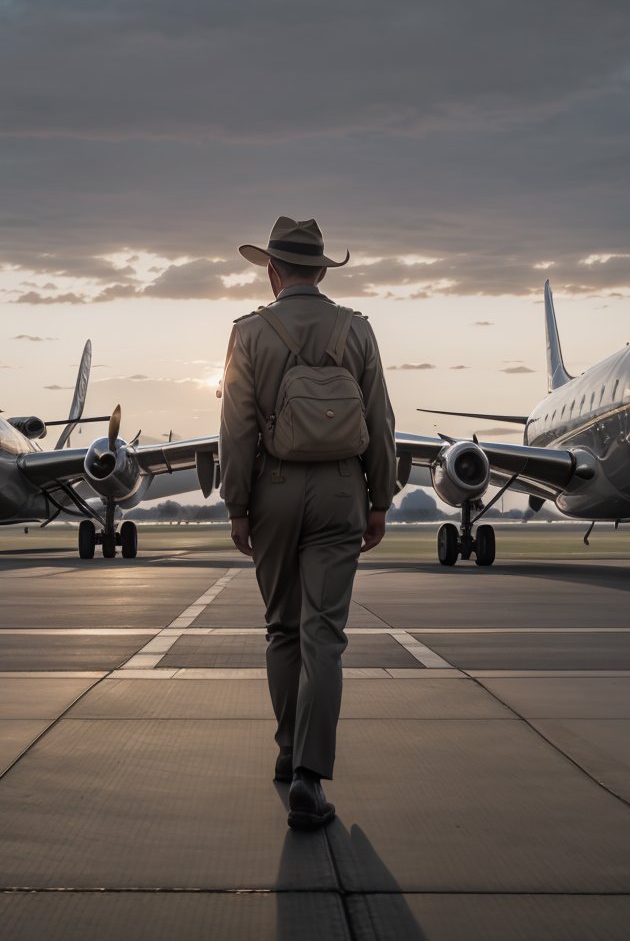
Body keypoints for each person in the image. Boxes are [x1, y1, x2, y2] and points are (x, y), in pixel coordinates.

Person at [218, 215, 398, 829]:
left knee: (282, 629)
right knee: (324, 634)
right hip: (344, 488)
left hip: (271, 490)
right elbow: (380, 419)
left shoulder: (248, 334)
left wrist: (237, 505)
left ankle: (288, 751)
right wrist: (381, 498)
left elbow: (237, 429)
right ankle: (309, 776)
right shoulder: (358, 330)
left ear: (271, 270)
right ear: (322, 272)